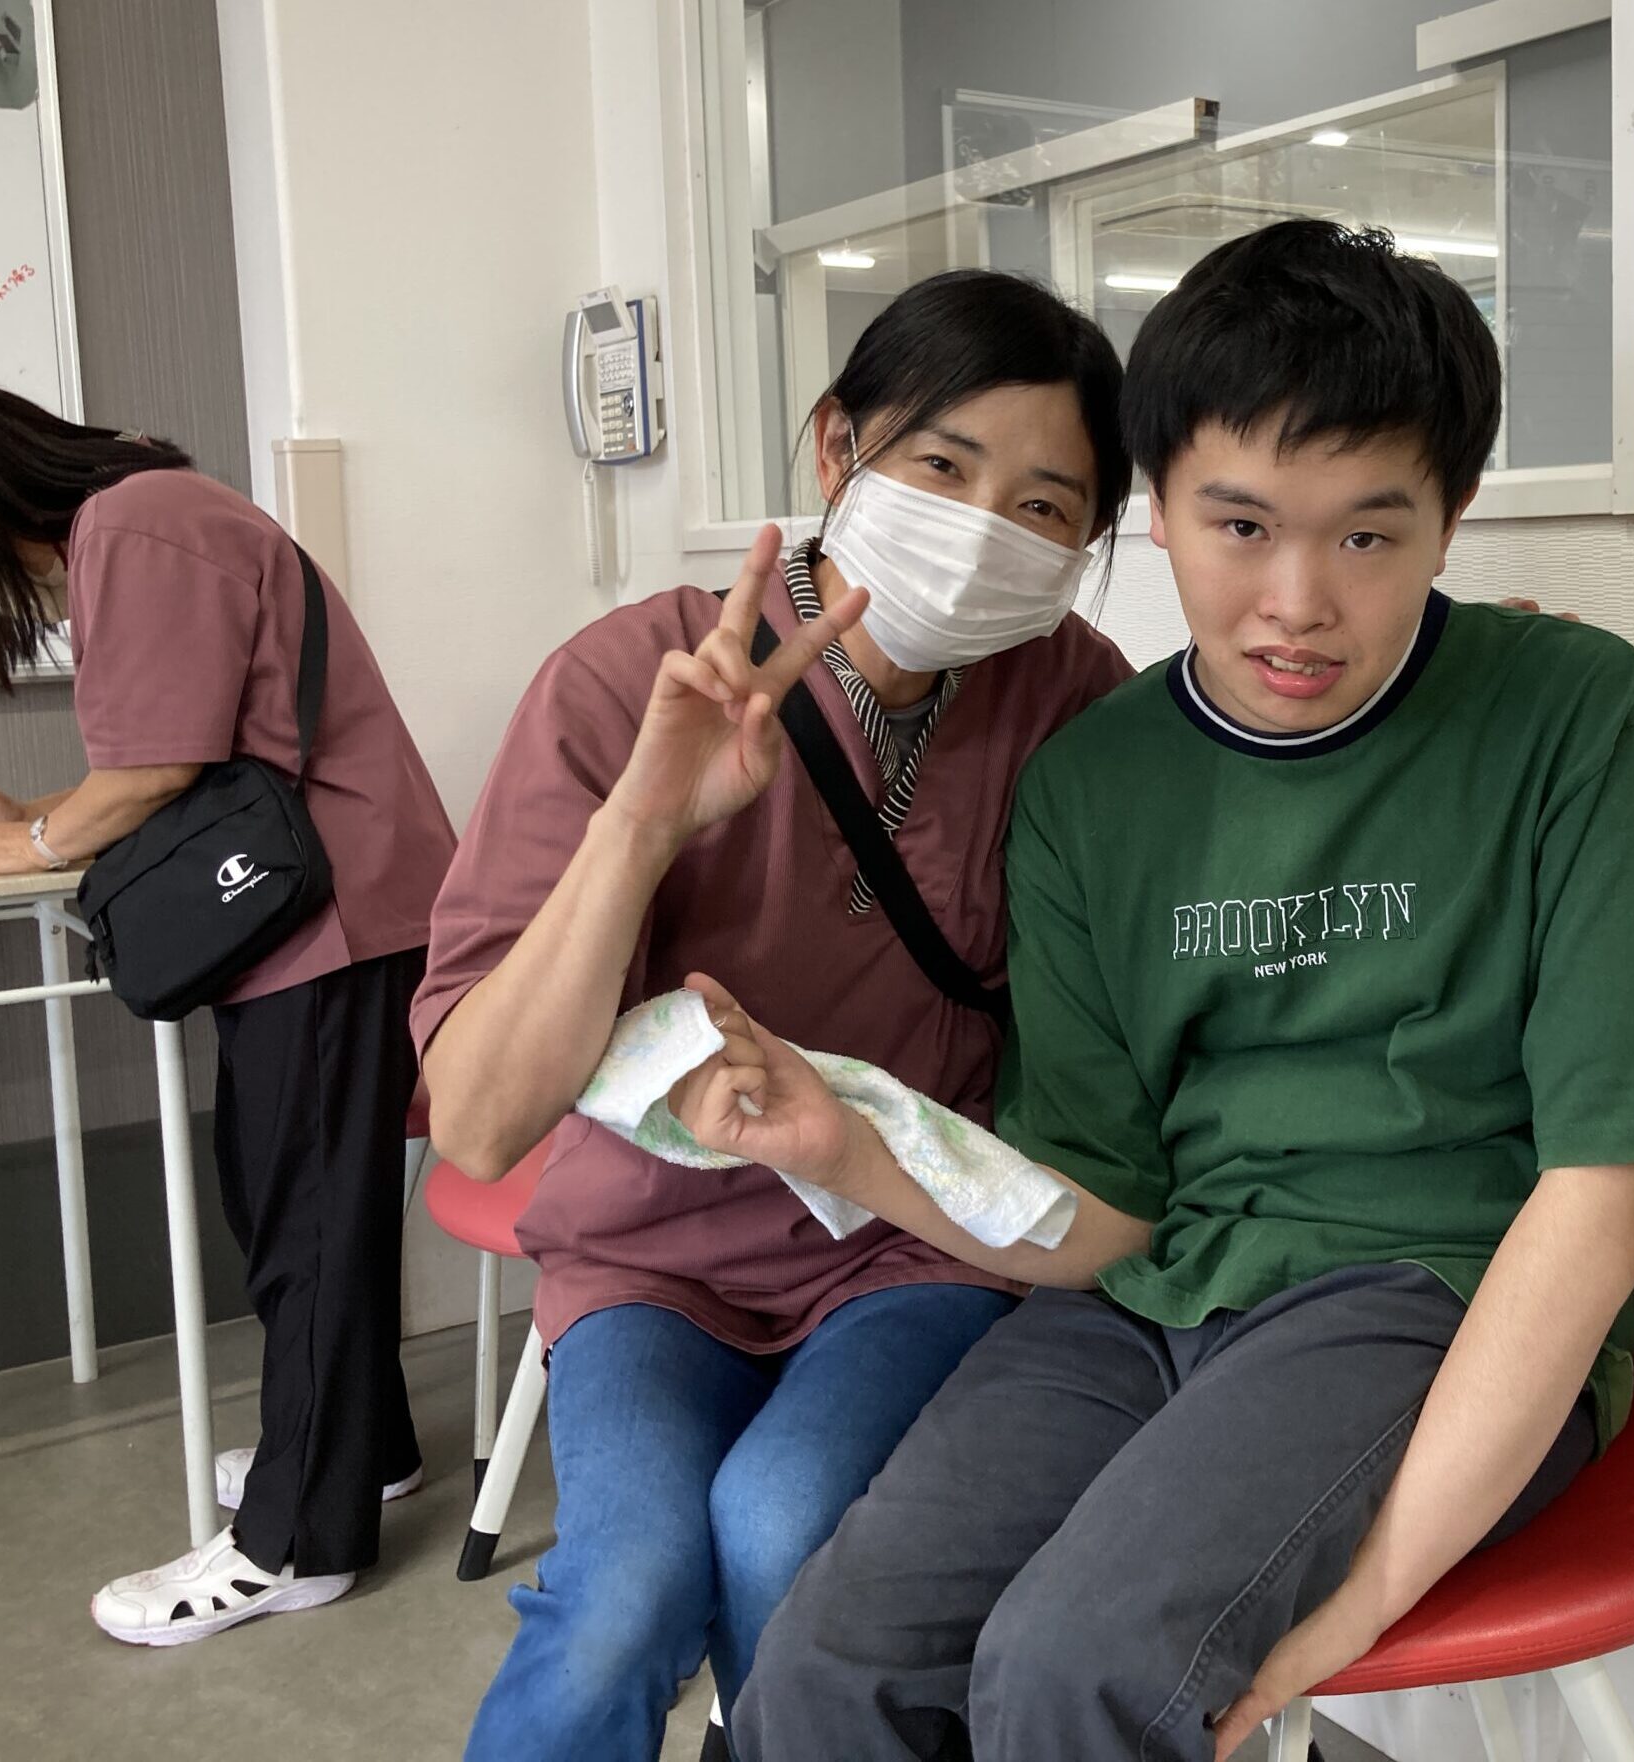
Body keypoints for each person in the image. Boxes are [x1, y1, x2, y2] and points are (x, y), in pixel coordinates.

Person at [699, 221, 1634, 1762]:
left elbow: (1609, 1185)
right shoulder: (1091, 784)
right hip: (1146, 1299)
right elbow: (1102, 1201)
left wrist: (1372, 1585)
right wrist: (852, 1145)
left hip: (1428, 1290)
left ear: (1452, 519)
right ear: (1157, 509)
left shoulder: (1574, 717)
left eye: (1369, 537)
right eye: (1241, 525)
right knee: (826, 1662)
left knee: (1069, 1668)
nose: (1297, 600)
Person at [415, 270, 1136, 1760]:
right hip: (649, 1255)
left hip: (907, 1241)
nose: (982, 529)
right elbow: (480, 1119)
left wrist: (1453, 693)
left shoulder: (1073, 699)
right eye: (941, 466)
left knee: (782, 1521)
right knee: (620, 1595)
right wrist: (644, 822)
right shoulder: (629, 679)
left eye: (1044, 507)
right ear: (835, 447)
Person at [0, 379, 457, 1644]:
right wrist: (31, 819)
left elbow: (157, 769)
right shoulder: (146, 508)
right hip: (316, 902)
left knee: (304, 1219)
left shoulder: (136, 523)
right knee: (294, 1203)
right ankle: (360, 1449)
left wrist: (35, 838)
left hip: (333, 915)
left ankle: (296, 1544)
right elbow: (175, 761)